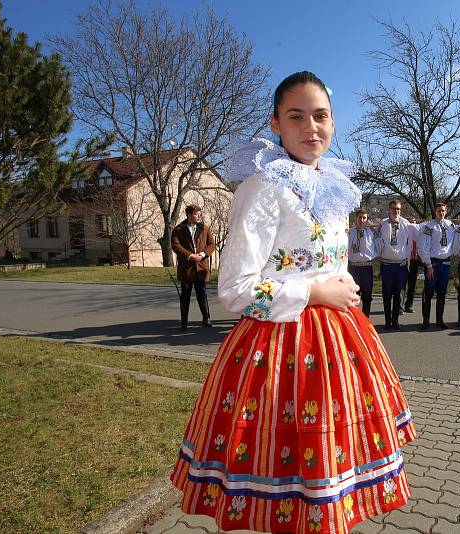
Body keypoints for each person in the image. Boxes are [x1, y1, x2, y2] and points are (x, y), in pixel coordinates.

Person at [170, 72, 416, 534]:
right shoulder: (262, 187)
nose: (311, 128)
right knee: (288, 477)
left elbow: (330, 259)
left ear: (334, 122)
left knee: (330, 467)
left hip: (339, 344)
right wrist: (315, 292)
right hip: (279, 349)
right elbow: (236, 289)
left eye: (320, 116)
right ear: (276, 123)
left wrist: (343, 288)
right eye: (296, 116)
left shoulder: (335, 185)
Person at [170, 204, 216, 330]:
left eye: (199, 214)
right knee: (185, 295)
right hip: (186, 268)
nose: (199, 216)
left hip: (201, 268)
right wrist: (190, 255)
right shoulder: (179, 229)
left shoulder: (204, 228)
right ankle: (184, 322)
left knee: (202, 293)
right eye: (196, 214)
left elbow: (211, 244)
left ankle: (206, 318)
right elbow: (175, 246)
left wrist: (202, 254)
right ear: (189, 215)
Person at [375, 200, 415, 330]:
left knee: (398, 294)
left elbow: (416, 234)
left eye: (398, 209)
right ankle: (387, 321)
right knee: (386, 294)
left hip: (401, 265)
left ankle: (395, 320)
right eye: (393, 208)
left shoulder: (405, 224)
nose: (396, 211)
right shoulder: (383, 223)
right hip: (386, 265)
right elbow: (375, 238)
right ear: (389, 209)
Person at [418, 202, 455, 329]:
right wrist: (428, 265)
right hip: (433, 263)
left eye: (443, 210)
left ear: (446, 211)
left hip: (446, 263)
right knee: (428, 292)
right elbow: (423, 246)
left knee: (442, 293)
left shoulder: (450, 225)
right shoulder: (429, 226)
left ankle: (440, 320)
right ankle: (426, 320)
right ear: (435, 212)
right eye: (439, 211)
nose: (441, 213)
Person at [347, 208, 376, 317]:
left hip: (367, 268)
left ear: (367, 219)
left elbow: (377, 247)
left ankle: (366, 320)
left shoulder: (371, 234)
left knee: (367, 297)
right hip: (353, 268)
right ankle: (354, 320)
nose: (362, 220)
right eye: (360, 217)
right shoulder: (350, 233)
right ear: (356, 218)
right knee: (353, 297)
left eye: (364, 218)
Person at [403, 216, 420, 313]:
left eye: (414, 222)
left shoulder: (418, 236)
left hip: (415, 261)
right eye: (410, 223)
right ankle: (400, 307)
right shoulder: (405, 235)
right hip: (405, 261)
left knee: (412, 285)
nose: (412, 225)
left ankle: (409, 305)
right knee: (403, 285)